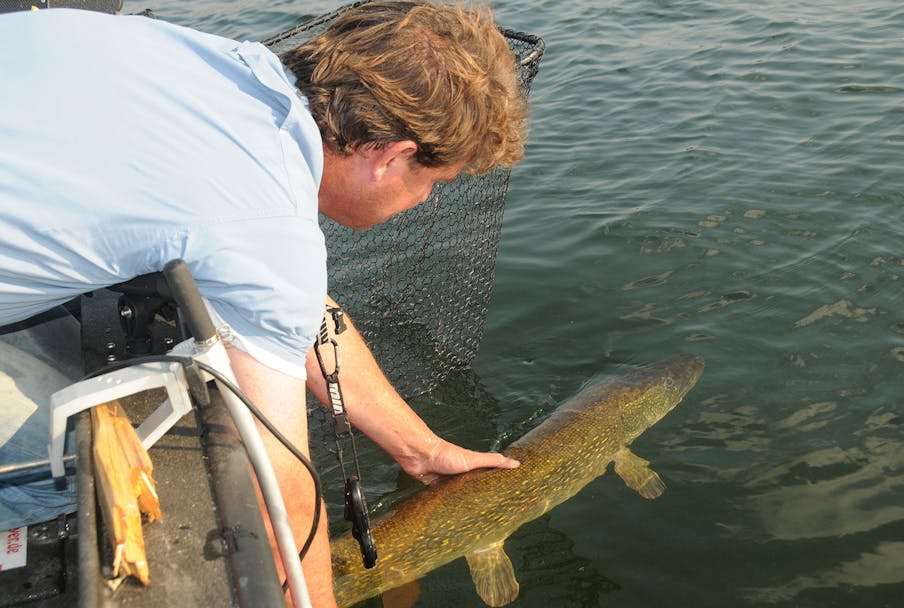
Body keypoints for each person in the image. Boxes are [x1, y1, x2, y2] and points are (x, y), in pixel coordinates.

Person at [0, 1, 527, 605]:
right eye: (436, 181)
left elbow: (292, 302)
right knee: (90, 488)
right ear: (391, 157)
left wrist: (422, 448)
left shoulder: (227, 68)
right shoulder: (264, 224)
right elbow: (282, 496)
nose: (430, 200)